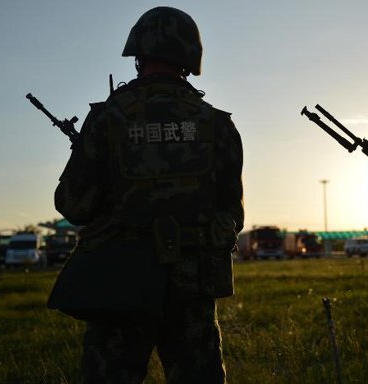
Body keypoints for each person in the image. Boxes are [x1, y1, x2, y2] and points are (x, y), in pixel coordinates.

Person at [47, 6, 244, 384]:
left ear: (138, 54)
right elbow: (232, 212)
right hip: (193, 282)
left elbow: (74, 205)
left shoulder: (107, 118)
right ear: (190, 57)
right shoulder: (216, 124)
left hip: (119, 278)